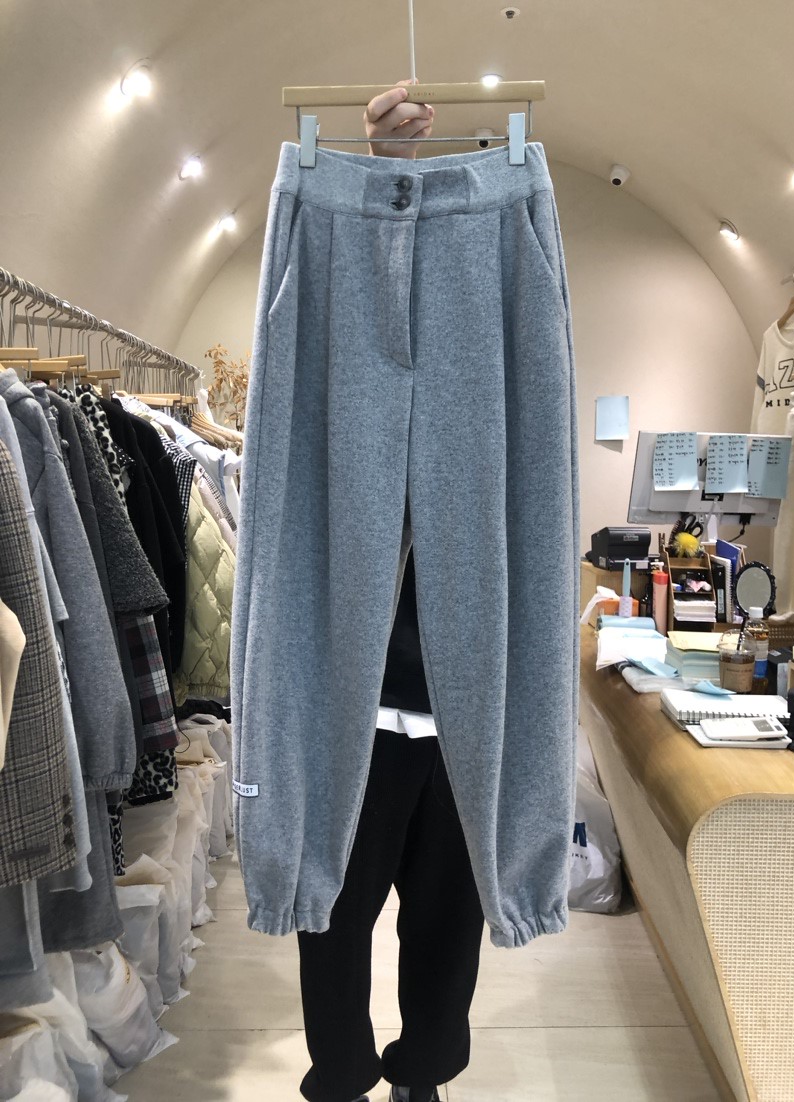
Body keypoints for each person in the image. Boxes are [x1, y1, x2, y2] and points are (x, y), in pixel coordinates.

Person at [295, 84, 486, 1102]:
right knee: (334, 911)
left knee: (448, 923)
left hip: (458, 709)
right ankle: (340, 1074)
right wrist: (380, 168)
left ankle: (423, 1072)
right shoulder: (345, 379)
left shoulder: (484, 380)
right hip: (358, 710)